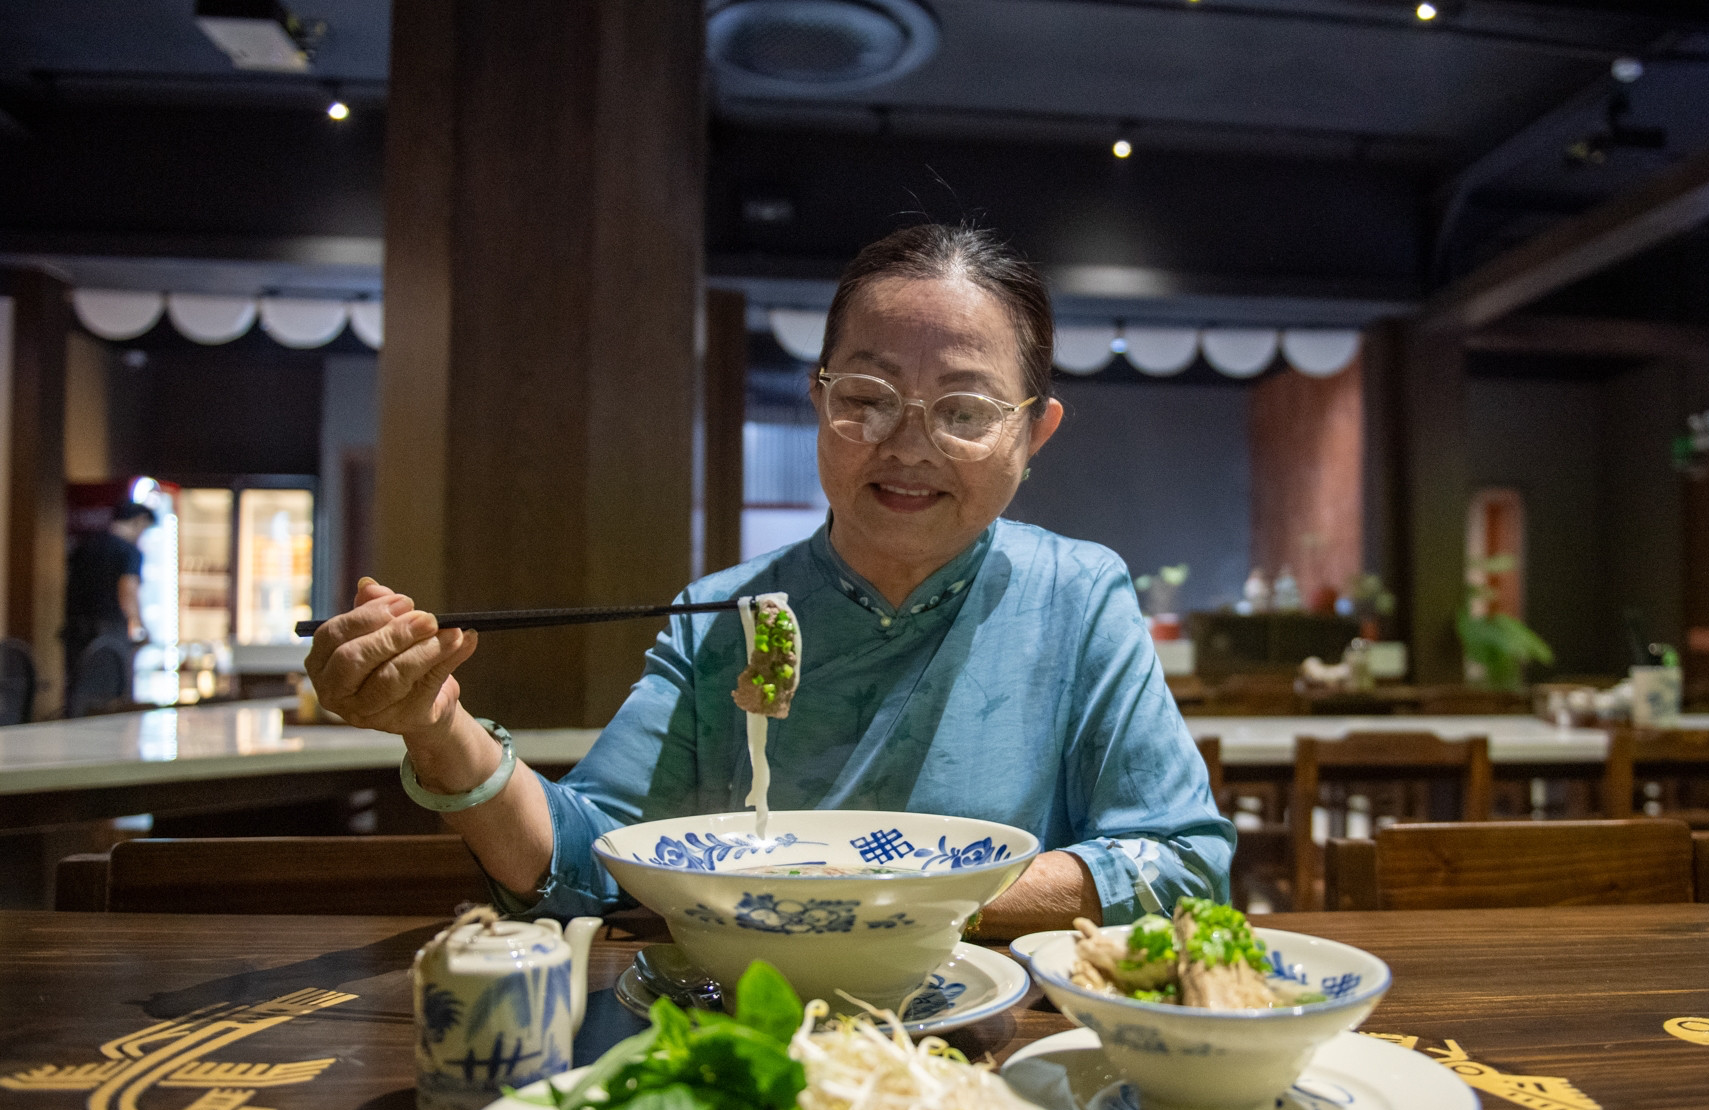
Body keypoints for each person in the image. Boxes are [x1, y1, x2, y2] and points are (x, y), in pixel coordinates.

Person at [305, 224, 1234, 935]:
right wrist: (438, 729)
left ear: (1033, 434)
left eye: (964, 410)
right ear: (820, 399)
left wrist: (882, 902)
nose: (909, 446)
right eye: (868, 398)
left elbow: (1182, 865)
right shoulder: (728, 616)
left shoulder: (1077, 596)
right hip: (751, 1022)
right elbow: (589, 861)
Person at [64, 500, 156, 711]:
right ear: (140, 520)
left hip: (76, 628)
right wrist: (139, 626)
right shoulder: (129, 551)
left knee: (80, 686)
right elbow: (128, 591)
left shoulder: (86, 545)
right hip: (111, 627)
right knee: (112, 691)